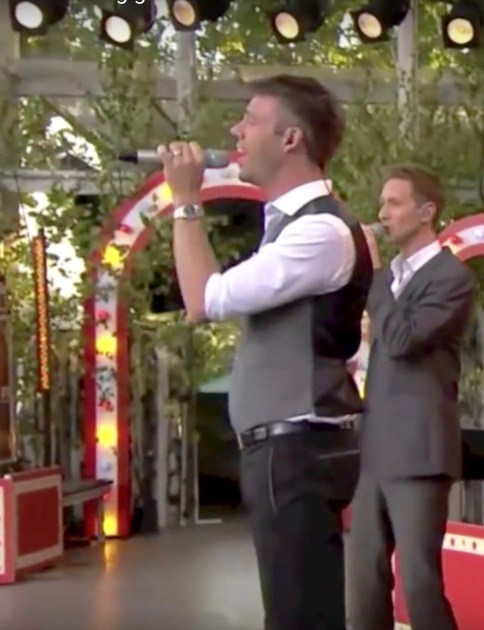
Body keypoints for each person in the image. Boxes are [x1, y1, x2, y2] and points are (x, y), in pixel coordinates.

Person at [160, 74, 371, 630]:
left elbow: (204, 299)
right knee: (293, 606)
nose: (236, 130)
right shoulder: (291, 226)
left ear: (291, 138)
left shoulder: (320, 231)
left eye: (251, 120)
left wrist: (186, 201)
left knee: (300, 611)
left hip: (298, 445)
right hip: (285, 446)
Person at [347, 165, 475, 630]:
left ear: (427, 212)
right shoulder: (390, 278)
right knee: (364, 583)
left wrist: (374, 275)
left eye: (394, 203)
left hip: (419, 450)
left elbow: (403, 340)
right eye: (382, 203)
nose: (383, 213)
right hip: (374, 448)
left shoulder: (451, 276)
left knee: (419, 584)